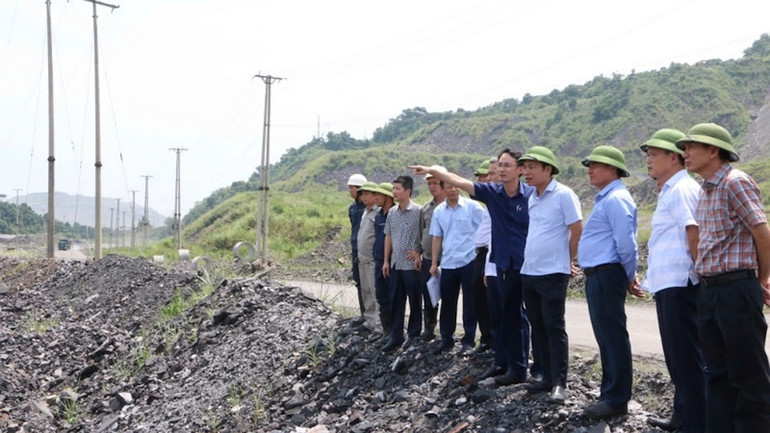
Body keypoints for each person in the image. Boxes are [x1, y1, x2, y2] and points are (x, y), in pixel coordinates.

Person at [410, 148, 535, 386]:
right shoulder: (493, 193)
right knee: (499, 315)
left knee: (518, 317)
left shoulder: (532, 195)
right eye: (499, 165)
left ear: (520, 169)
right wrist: (433, 171)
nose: (501, 169)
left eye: (507, 165)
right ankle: (502, 363)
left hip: (525, 263)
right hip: (499, 263)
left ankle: (520, 368)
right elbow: (461, 182)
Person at [677, 123, 770, 433]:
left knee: (749, 375)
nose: (685, 153)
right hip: (711, 290)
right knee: (717, 374)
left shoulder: (735, 182)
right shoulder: (704, 190)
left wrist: (762, 278)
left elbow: (761, 230)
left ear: (713, 151)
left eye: (691, 147)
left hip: (736, 288)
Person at [638, 128, 706, 433]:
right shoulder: (670, 189)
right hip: (669, 284)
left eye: (654, 154)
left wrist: (698, 275)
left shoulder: (682, 188)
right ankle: (683, 417)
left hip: (682, 283)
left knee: (688, 358)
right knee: (677, 358)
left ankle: (697, 423)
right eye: (648, 154)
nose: (649, 160)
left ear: (674, 157)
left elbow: (695, 234)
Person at [577, 145, 638, 418]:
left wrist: (629, 275)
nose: (589, 169)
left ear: (612, 169)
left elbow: (627, 244)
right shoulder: (607, 198)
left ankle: (616, 398)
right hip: (599, 274)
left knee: (612, 336)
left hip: (607, 273)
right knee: (605, 336)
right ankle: (610, 393)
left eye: (595, 165)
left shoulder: (616, 199)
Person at [518, 146, 583, 404]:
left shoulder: (564, 195)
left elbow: (576, 229)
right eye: (525, 167)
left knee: (554, 326)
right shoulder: (532, 197)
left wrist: (568, 260)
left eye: (532, 167)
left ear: (548, 169)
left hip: (554, 272)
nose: (526, 172)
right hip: (530, 271)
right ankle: (544, 375)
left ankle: (559, 382)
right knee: (537, 325)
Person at [430, 178, 484, 355]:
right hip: (448, 262)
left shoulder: (473, 207)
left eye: (455, 186)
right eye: (448, 187)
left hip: (469, 260)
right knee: (447, 301)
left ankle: (468, 340)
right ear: (443, 189)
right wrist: (434, 262)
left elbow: (485, 230)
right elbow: (437, 238)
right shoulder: (439, 211)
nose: (453, 189)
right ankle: (446, 338)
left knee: (470, 301)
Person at [381, 176, 423, 353]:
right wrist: (385, 260)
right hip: (396, 263)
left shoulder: (419, 211)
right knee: (396, 301)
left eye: (398, 188)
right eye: (394, 189)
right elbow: (388, 236)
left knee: (414, 300)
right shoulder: (392, 212)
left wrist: (420, 253)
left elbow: (425, 234)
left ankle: (414, 334)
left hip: (412, 265)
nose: (395, 192)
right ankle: (396, 335)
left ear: (408, 191)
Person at [416, 170, 446, 341]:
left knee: (448, 296)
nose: (432, 187)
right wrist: (418, 252)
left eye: (435, 183)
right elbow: (421, 231)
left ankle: (446, 332)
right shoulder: (426, 208)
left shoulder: (451, 204)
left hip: (448, 259)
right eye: (429, 184)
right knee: (428, 294)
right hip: (427, 258)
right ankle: (429, 328)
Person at [471, 158, 495, 353]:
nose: (479, 181)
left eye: (482, 177)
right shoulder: (488, 204)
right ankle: (487, 338)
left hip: (491, 254)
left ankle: (496, 342)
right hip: (480, 255)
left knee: (493, 301)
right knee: (479, 298)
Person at [356, 182, 383, 334]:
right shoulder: (365, 212)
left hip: (373, 259)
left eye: (367, 194)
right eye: (362, 194)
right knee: (366, 291)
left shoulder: (378, 212)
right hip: (363, 259)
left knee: (375, 292)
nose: (364, 197)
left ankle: (379, 325)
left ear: (375, 195)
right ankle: (370, 320)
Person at [373, 182, 395, 340]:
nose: (375, 198)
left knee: (393, 297)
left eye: (378, 195)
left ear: (387, 197)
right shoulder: (379, 215)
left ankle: (396, 331)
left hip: (392, 263)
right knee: (381, 296)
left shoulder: (394, 214)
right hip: (379, 261)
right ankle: (387, 331)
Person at [347, 173, 368, 325]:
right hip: (356, 248)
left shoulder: (368, 209)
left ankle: (372, 316)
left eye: (351, 188)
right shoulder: (353, 208)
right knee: (359, 282)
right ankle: (363, 314)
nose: (349, 191)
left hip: (366, 251)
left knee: (369, 284)